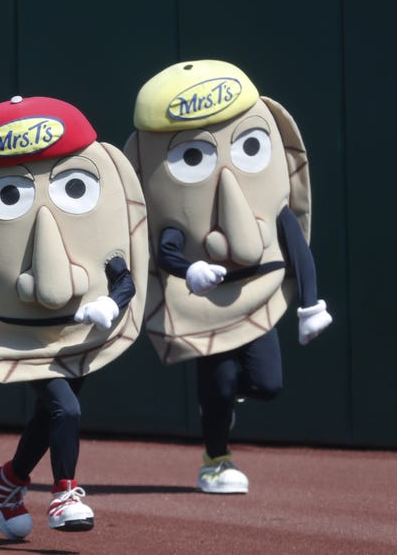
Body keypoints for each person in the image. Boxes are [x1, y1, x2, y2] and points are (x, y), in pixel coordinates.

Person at [0, 95, 148, 538]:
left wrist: (110, 303)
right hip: (22, 336)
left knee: (49, 416)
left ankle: (7, 481)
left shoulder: (95, 237)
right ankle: (65, 492)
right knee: (65, 410)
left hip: (77, 332)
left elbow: (125, 279)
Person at [123, 59, 332, 493]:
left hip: (256, 296)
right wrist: (189, 268)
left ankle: (221, 405)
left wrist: (311, 303)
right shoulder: (177, 212)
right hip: (206, 309)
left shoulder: (270, 204)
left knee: (268, 385)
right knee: (217, 386)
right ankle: (216, 458)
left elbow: (294, 245)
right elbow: (165, 248)